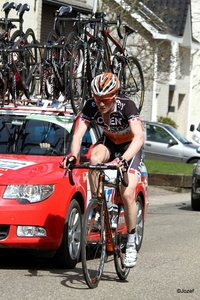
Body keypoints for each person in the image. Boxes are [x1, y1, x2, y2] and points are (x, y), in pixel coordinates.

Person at [62, 72, 144, 268]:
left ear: (114, 97)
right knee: (94, 157)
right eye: (98, 99)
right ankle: (99, 204)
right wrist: (73, 155)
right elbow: (78, 133)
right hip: (109, 142)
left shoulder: (127, 106)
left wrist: (124, 160)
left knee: (128, 193)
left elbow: (139, 136)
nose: (100, 104)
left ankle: (131, 244)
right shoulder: (91, 105)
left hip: (130, 147)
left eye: (105, 100)